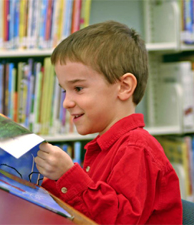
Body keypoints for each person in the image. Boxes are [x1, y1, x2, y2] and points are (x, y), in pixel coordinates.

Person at [34, 20, 182, 224]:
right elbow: (87, 208)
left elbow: (121, 220)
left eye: (78, 88)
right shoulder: (106, 147)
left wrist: (68, 175)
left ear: (124, 87)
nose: (66, 102)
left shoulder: (136, 148)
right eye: (64, 90)